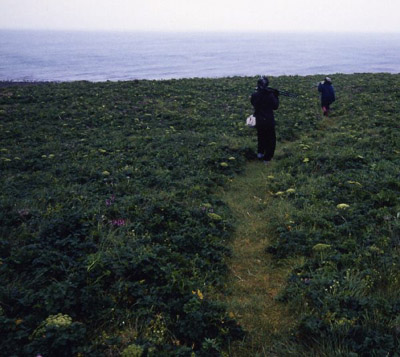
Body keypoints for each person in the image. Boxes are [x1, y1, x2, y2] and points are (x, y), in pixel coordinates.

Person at [250, 76, 279, 164]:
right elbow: (275, 106)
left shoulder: (255, 95)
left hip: (258, 120)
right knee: (271, 139)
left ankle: (260, 153)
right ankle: (267, 159)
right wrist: (276, 96)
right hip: (268, 120)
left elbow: (253, 102)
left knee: (261, 137)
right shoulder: (270, 95)